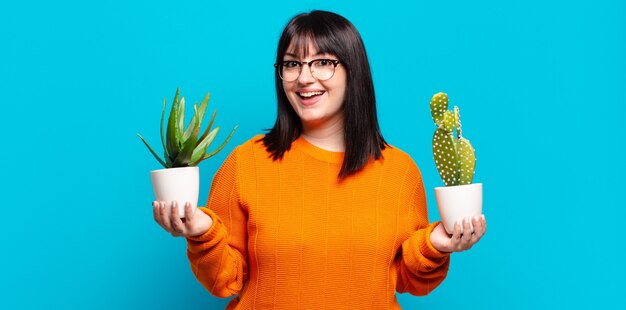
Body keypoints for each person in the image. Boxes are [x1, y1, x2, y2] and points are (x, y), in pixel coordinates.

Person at [153, 10, 486, 309]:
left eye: (323, 62)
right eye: (292, 63)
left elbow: (408, 280)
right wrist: (201, 232)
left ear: (353, 70)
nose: (304, 78)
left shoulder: (400, 173)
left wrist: (437, 244)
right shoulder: (246, 163)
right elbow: (225, 281)